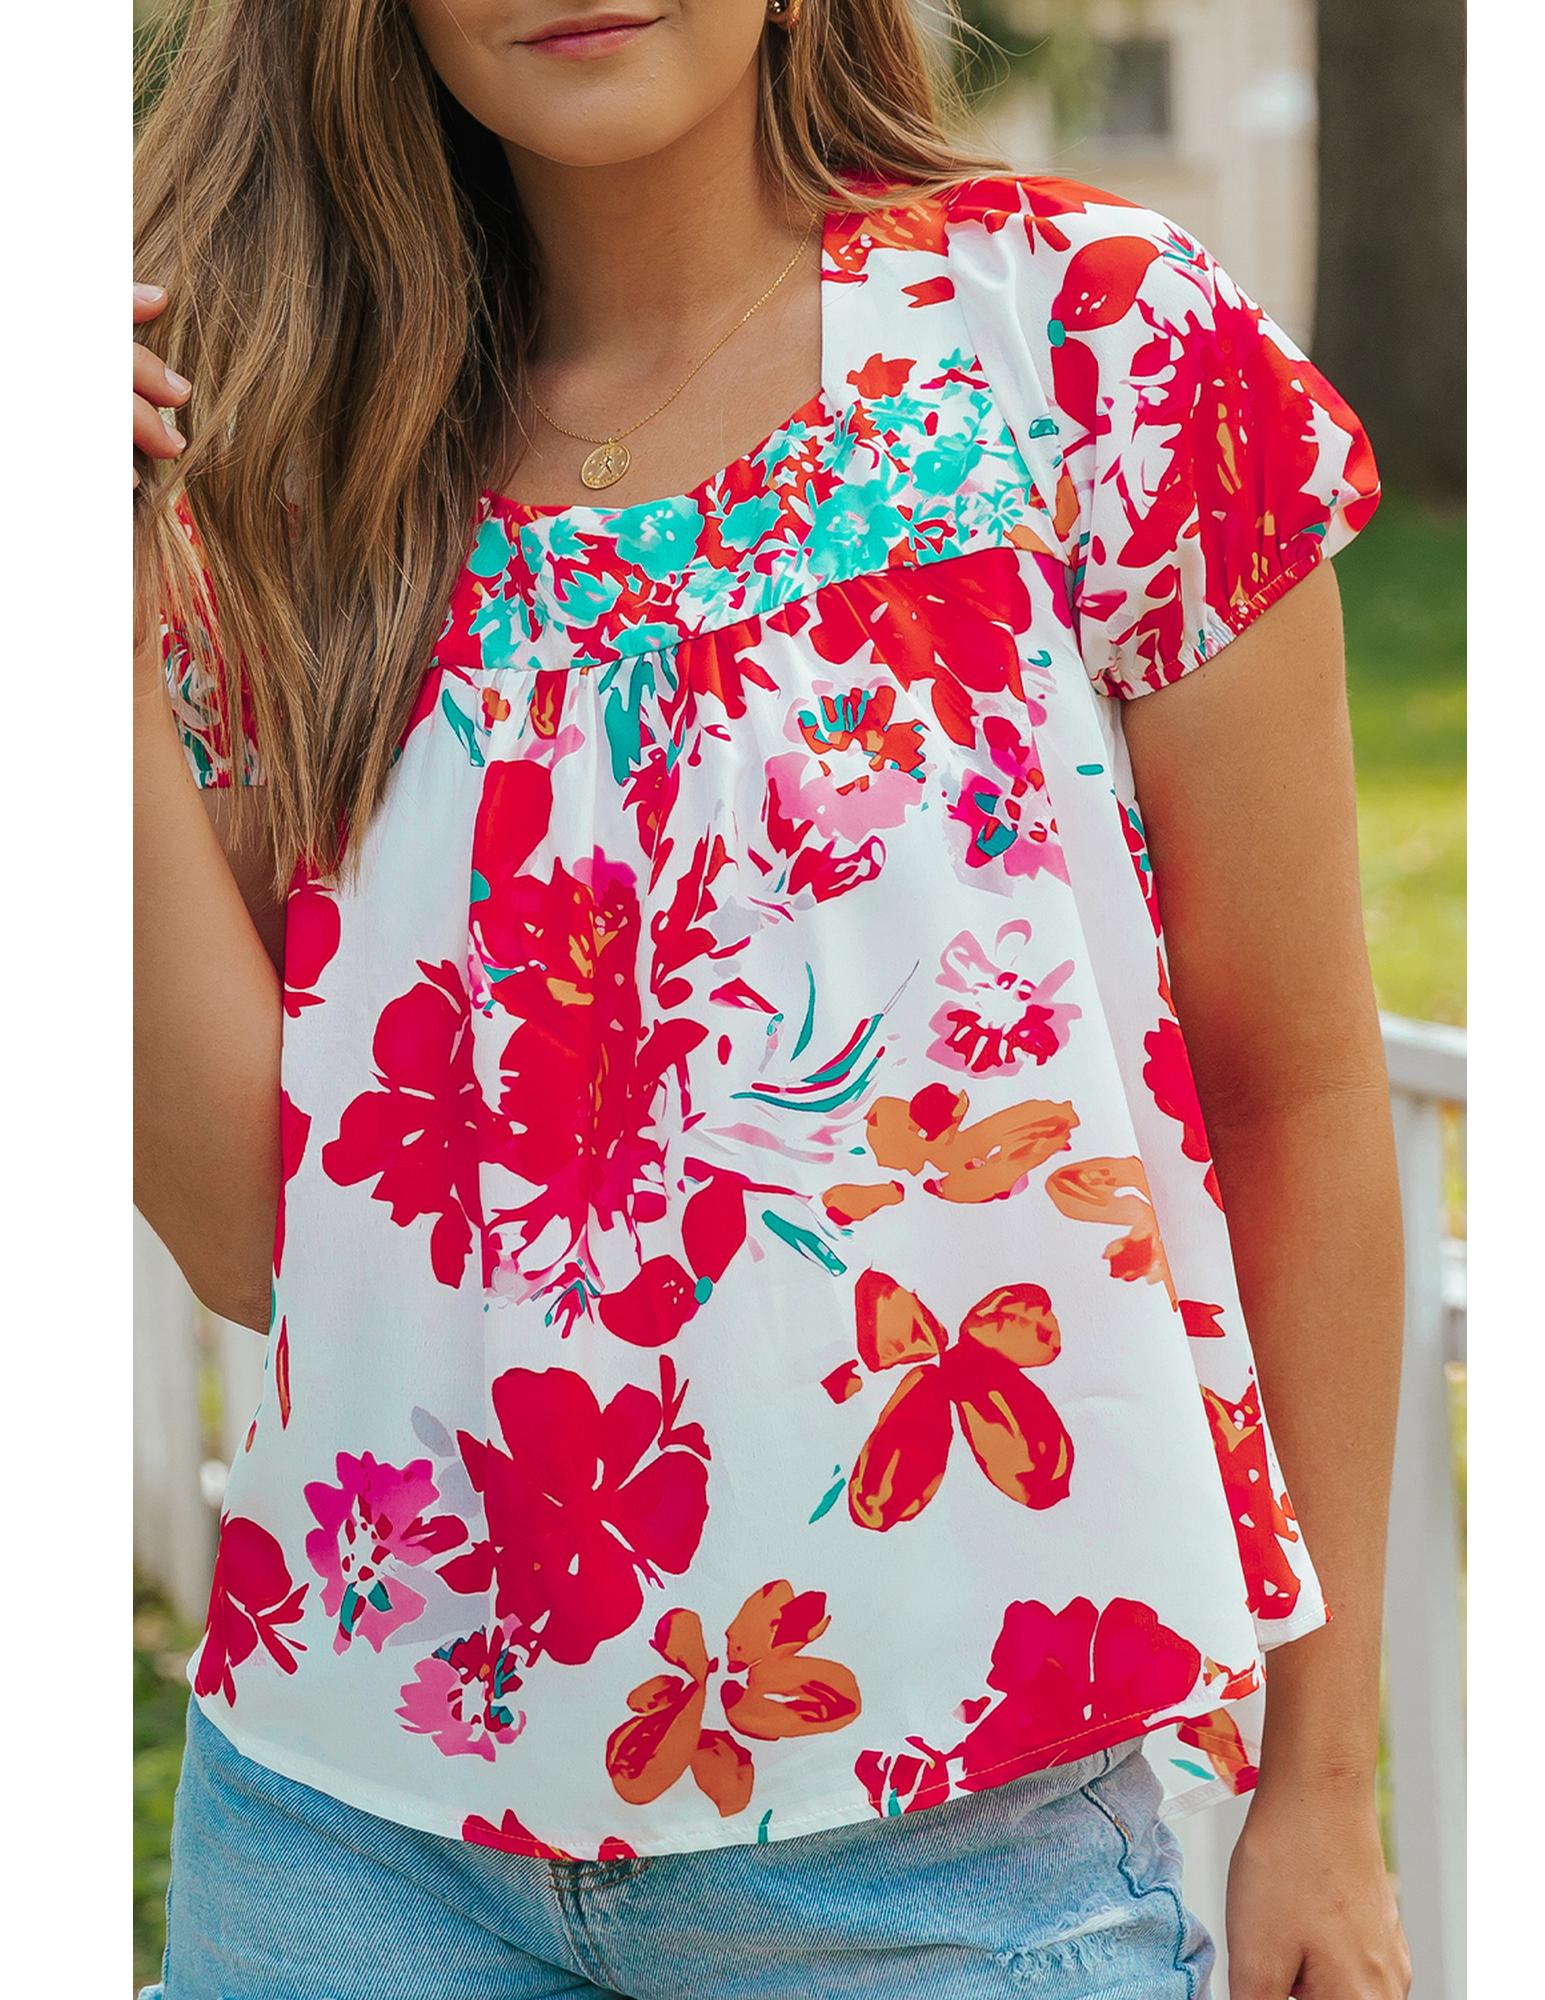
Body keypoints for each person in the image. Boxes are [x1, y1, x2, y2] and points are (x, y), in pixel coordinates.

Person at [132, 3, 1413, 1995]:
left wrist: (1320, 1786)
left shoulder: (1081, 347)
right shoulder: (286, 466)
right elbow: (251, 1234)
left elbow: (1297, 1092)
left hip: (947, 1861)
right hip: (341, 1832)